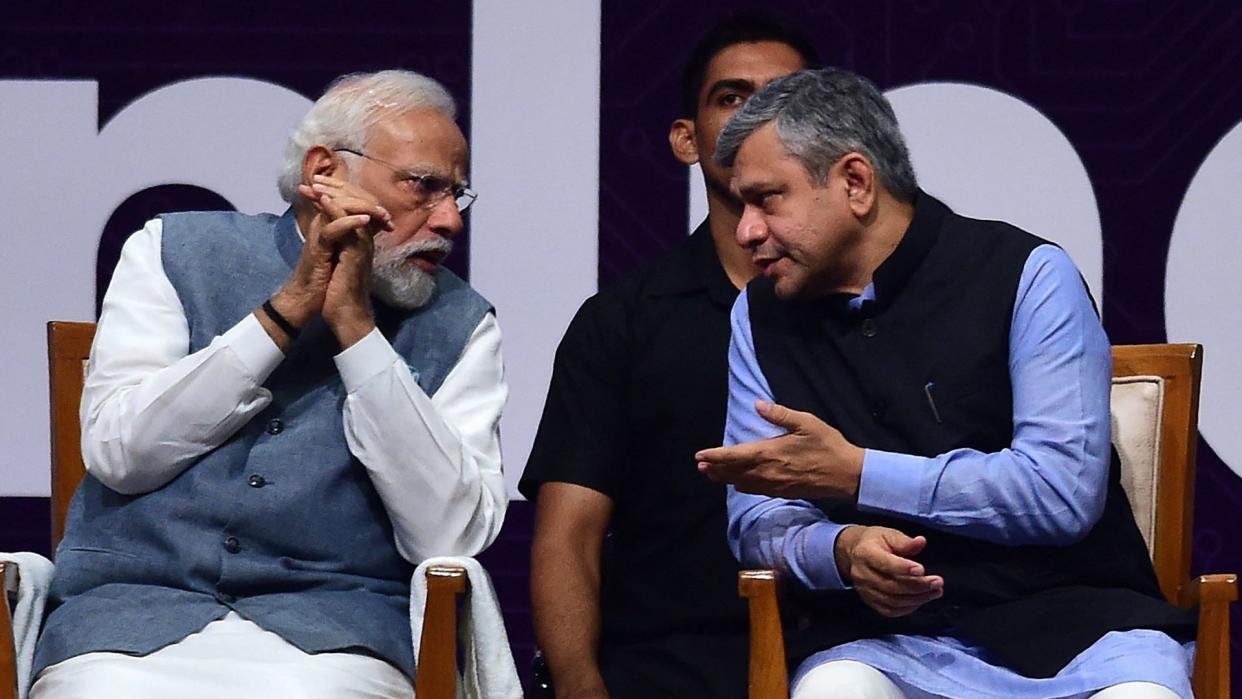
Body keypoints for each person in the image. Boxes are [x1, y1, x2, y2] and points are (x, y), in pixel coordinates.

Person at [696, 67, 1196, 699]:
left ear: (855, 182)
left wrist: (858, 473)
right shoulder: (759, 315)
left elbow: (1061, 493)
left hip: (1079, 630)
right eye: (740, 204)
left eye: (768, 199)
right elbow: (758, 518)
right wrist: (843, 549)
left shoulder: (1027, 277)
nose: (745, 231)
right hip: (889, 642)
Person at [31, 69, 508, 699]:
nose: (448, 220)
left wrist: (359, 334)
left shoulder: (463, 324)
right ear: (325, 172)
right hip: (127, 627)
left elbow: (448, 537)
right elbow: (121, 453)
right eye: (423, 187)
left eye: (457, 196)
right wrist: (282, 315)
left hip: (336, 643)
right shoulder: (171, 251)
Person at [518, 14, 817, 699]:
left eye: (789, 95)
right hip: (667, 667)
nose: (764, 115)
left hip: (864, 655)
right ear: (687, 138)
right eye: (733, 97)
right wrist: (578, 686)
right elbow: (570, 539)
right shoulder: (620, 323)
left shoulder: (883, 308)